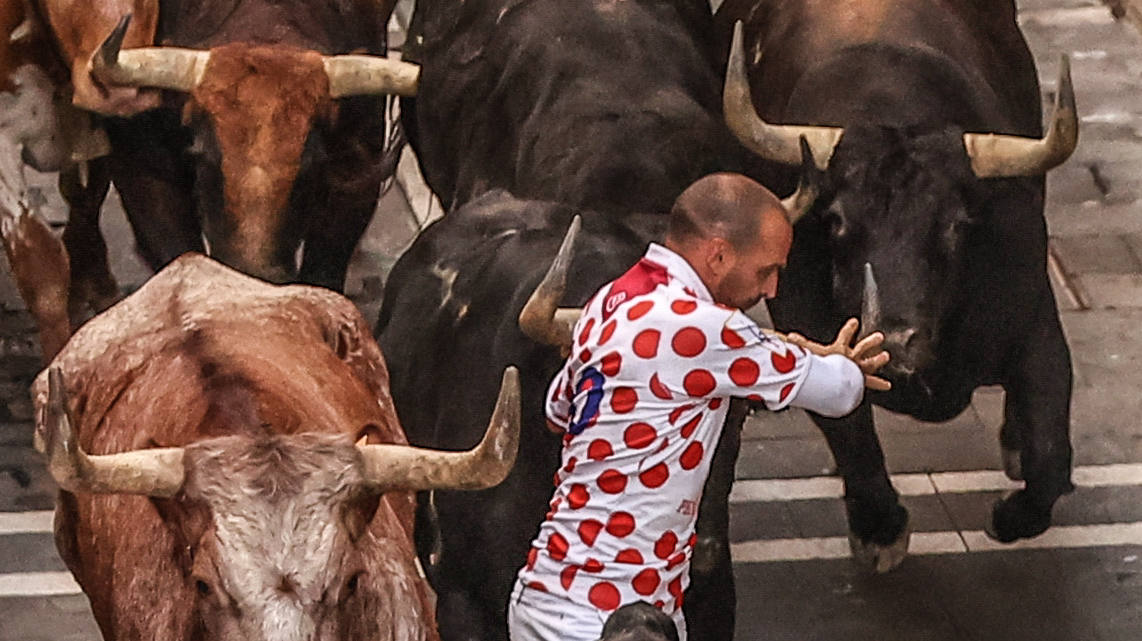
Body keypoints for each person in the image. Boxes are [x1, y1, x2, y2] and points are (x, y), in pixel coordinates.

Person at [507, 172, 890, 641]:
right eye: (766, 270)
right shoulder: (706, 329)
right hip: (608, 619)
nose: (771, 291)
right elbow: (841, 391)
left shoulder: (609, 303)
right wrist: (838, 361)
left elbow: (555, 410)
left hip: (549, 595)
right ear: (719, 254)